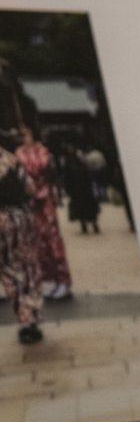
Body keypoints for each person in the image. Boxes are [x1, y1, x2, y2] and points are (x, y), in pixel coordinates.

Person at [14, 127, 73, 299]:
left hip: (45, 200)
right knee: (38, 241)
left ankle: (63, 280)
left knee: (53, 238)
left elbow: (42, 169)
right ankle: (50, 280)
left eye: (25, 134)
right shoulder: (19, 153)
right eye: (20, 134)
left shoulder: (42, 151)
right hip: (30, 201)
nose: (23, 137)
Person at [0, 142, 45, 343]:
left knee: (9, 270)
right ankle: (33, 314)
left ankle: (24, 320)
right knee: (28, 267)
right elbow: (30, 188)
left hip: (3, 220)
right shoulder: (11, 158)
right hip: (22, 217)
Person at [61, 146, 100, 236]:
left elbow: (67, 178)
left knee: (82, 208)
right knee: (88, 208)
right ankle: (91, 225)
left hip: (79, 190)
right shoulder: (80, 161)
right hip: (83, 189)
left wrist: (68, 189)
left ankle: (87, 225)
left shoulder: (70, 162)